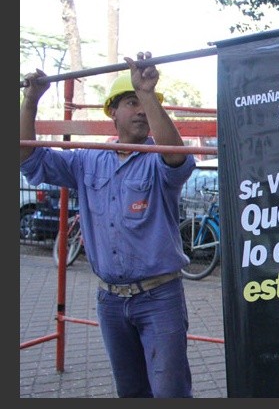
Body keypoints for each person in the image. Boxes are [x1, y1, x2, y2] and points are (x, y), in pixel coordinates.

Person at [20, 52, 196, 398]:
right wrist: (30, 102)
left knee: (170, 392)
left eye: (145, 103)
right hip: (110, 300)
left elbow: (176, 156)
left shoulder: (157, 160)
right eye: (132, 102)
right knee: (130, 392)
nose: (141, 110)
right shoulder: (88, 160)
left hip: (159, 297)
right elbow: (28, 156)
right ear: (112, 111)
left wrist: (146, 91)